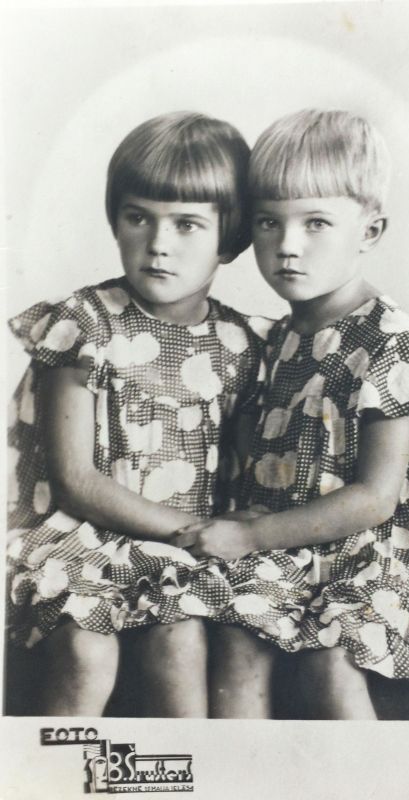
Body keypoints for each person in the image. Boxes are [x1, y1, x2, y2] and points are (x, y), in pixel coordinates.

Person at [174, 109, 409, 719]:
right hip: (299, 546)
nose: (287, 246)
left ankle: (363, 769)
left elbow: (374, 500)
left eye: (316, 223)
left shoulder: (390, 345)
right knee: (234, 628)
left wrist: (251, 536)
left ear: (369, 231)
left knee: (328, 654)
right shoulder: (281, 337)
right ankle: (236, 766)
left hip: (382, 558)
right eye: (269, 222)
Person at [6, 111, 269, 717]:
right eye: (138, 217)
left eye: (187, 224)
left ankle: (193, 764)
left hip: (178, 553)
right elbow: (76, 481)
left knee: (181, 638)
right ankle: (47, 765)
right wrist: (190, 531)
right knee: (86, 650)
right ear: (115, 221)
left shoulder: (241, 345)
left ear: (230, 240)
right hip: (77, 539)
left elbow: (244, 472)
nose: (158, 243)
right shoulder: (86, 324)